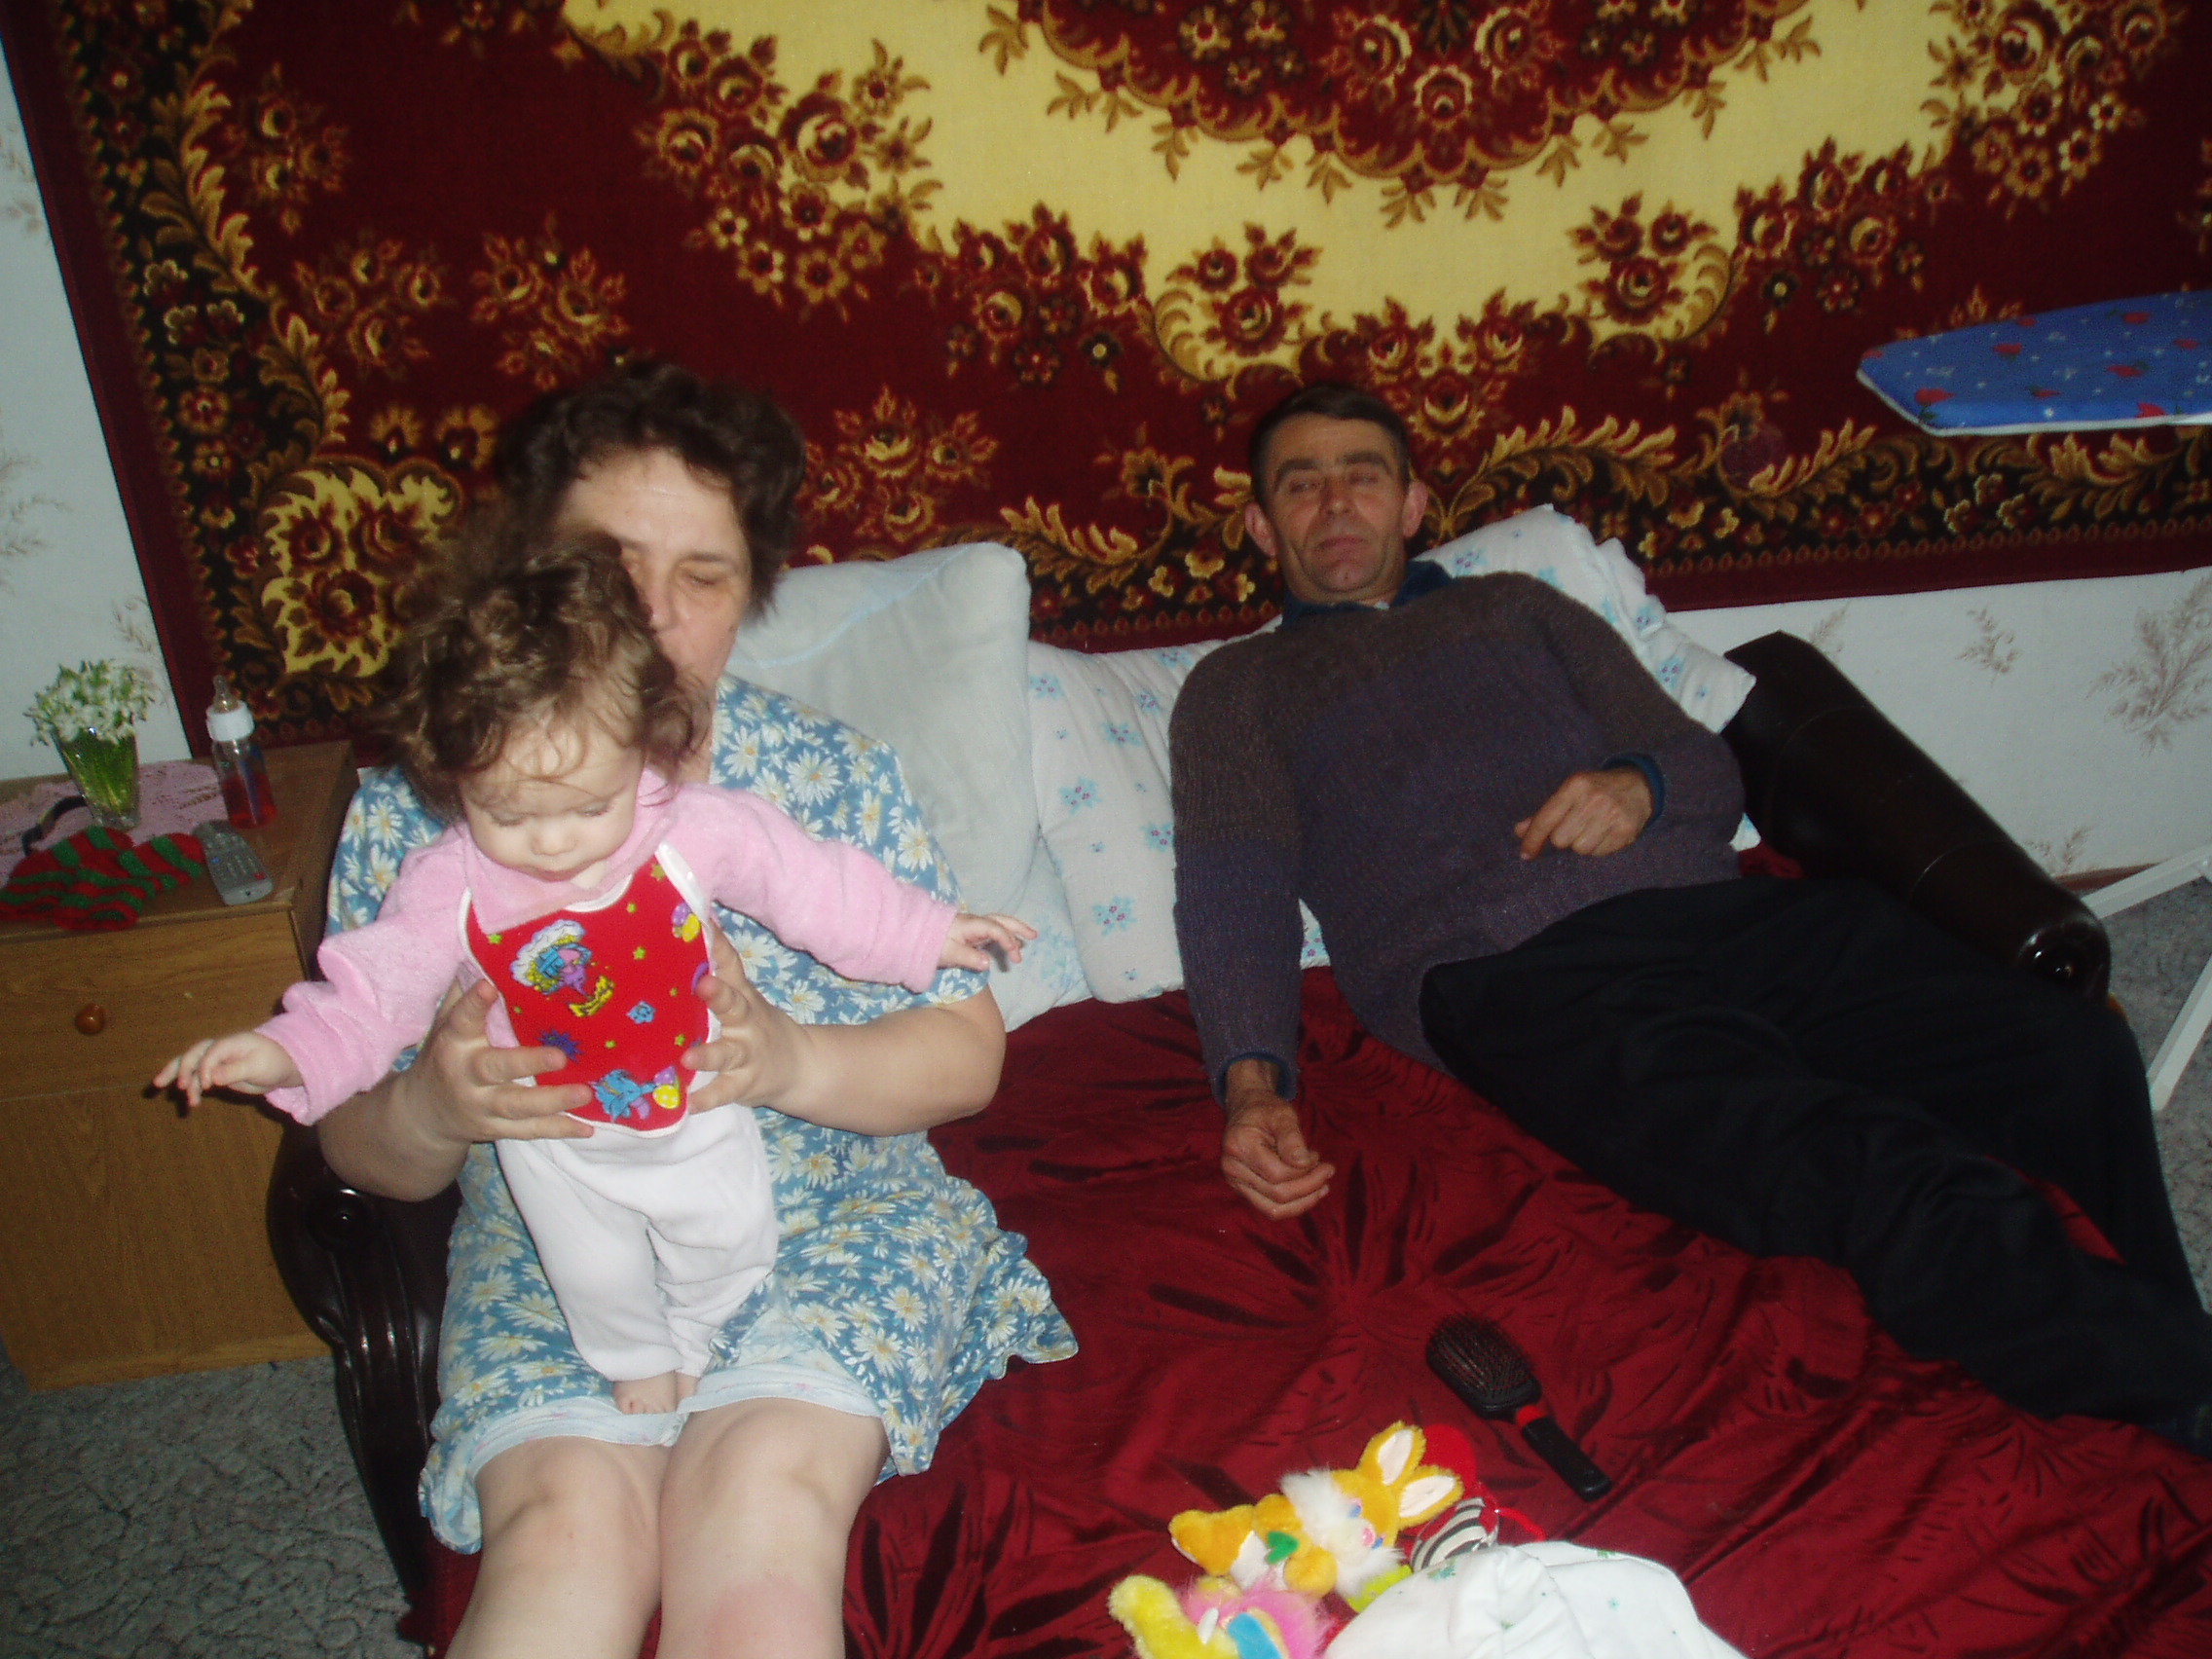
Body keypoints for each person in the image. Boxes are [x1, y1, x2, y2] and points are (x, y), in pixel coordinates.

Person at [1169, 379, 2212, 1451]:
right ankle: (2176, 1379)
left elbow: (1702, 763)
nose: (1335, 504)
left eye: (1362, 476)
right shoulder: (1237, 688)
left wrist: (1642, 786)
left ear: (1413, 504)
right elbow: (1232, 893)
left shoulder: (1520, 608)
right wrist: (1252, 1087)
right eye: (1301, 485)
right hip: (1520, 978)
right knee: (1876, 1166)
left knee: (2069, 1050)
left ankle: (2179, 1367)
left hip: (1724, 914)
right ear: (1262, 525)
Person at [309, 359, 1076, 1659]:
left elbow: (967, 1058)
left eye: (704, 577)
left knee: (757, 1504)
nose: (655, 614)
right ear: (530, 565)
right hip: (561, 1241)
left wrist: (782, 1061)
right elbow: (353, 1143)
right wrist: (435, 1106)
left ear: (750, 597)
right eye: (609, 563)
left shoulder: (828, 777)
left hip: (835, 1217)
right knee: (561, 1537)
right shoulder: (425, 806)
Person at [157, 520, 1034, 1419]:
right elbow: (371, 994)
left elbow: (817, 888)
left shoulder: (691, 824)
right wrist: (287, 1053)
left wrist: (931, 932)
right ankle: (638, 1365)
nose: (552, 845)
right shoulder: (446, 881)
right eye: (509, 815)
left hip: (692, 1100)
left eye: (587, 809)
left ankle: (706, 1346)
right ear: (455, 778)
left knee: (731, 1241)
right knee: (593, 1272)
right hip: (556, 1135)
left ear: (642, 750)